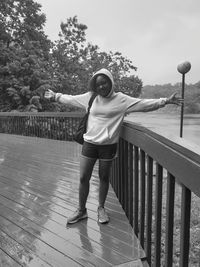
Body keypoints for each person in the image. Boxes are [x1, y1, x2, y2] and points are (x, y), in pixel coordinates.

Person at [44, 68, 182, 225]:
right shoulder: (91, 97)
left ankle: (101, 208)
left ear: (111, 82)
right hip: (90, 143)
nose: (101, 87)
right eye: (98, 84)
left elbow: (143, 104)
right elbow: (72, 99)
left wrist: (164, 101)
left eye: (104, 83)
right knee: (83, 178)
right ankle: (81, 211)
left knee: (104, 178)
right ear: (94, 86)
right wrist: (56, 96)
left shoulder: (121, 99)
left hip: (108, 146)